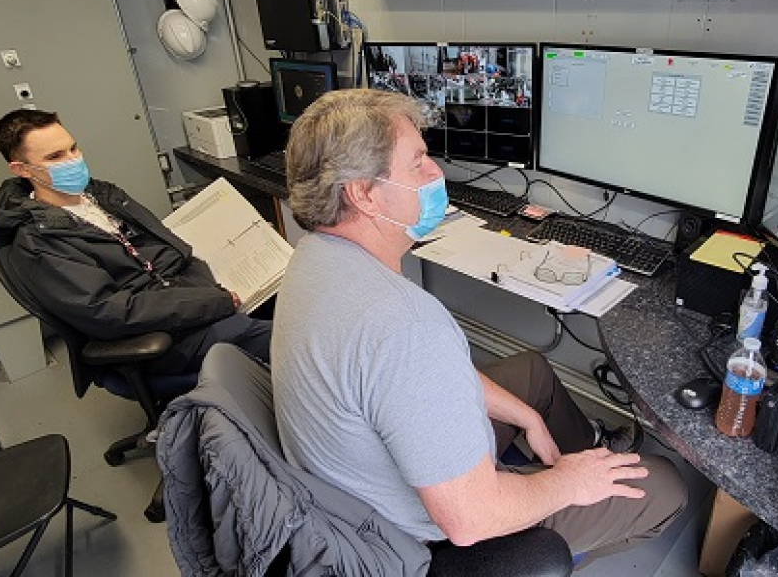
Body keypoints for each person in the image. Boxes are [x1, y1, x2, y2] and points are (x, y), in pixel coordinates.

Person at [271, 89, 687, 564]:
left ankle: (587, 458)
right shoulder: (402, 325)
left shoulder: (312, 258)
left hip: (353, 486)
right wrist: (567, 484)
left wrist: (526, 416)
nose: (436, 174)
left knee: (534, 374)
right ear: (364, 194)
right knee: (666, 489)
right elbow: (470, 520)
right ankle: (549, 534)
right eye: (418, 163)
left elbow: (397, 379)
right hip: (426, 535)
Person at [0, 108, 271, 374]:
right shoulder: (39, 242)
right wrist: (213, 302)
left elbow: (156, 251)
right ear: (22, 170)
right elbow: (110, 313)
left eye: (73, 148)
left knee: (288, 299)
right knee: (286, 335)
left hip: (183, 296)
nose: (72, 160)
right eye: (54, 157)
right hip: (160, 336)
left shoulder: (99, 196)